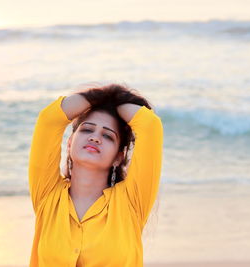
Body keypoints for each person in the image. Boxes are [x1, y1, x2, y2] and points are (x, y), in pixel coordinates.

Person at [28, 83, 163, 266]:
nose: (95, 137)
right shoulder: (48, 195)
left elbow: (150, 125)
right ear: (69, 144)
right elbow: (49, 119)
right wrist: (99, 96)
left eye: (108, 136)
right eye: (86, 129)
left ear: (118, 157)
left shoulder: (131, 202)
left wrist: (114, 100)